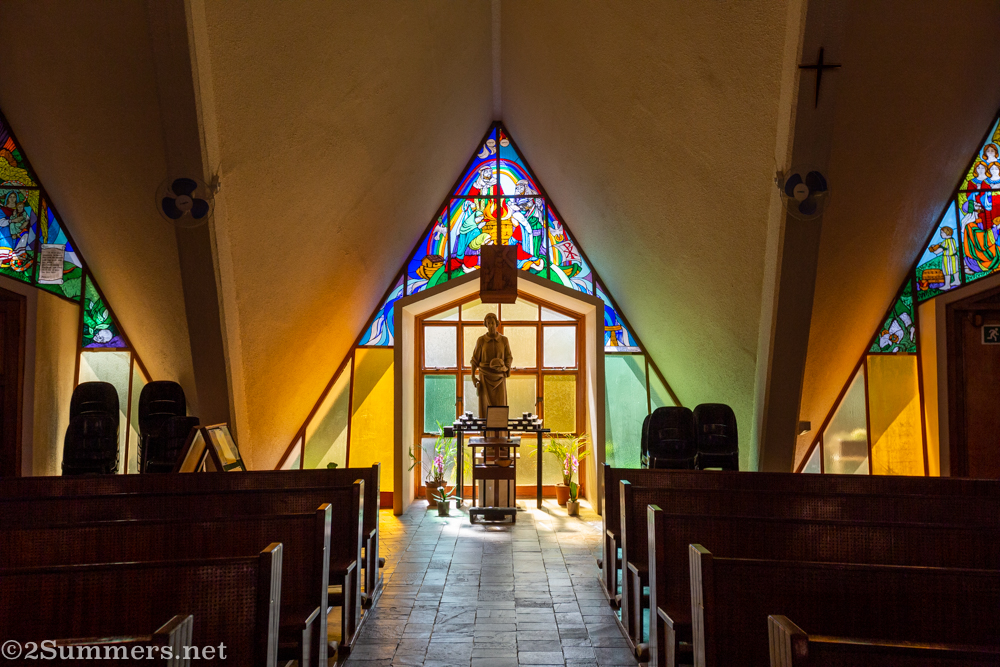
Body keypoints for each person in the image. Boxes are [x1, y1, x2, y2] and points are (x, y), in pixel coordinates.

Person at [470, 313, 512, 415]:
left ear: (496, 323)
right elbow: (475, 360)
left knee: (500, 406)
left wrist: (505, 368)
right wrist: (473, 377)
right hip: (485, 378)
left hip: (499, 378)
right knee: (486, 408)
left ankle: (500, 431)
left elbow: (509, 357)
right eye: (488, 323)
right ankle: (486, 431)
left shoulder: (504, 340)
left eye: (493, 323)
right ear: (486, 325)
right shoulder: (481, 340)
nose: (491, 326)